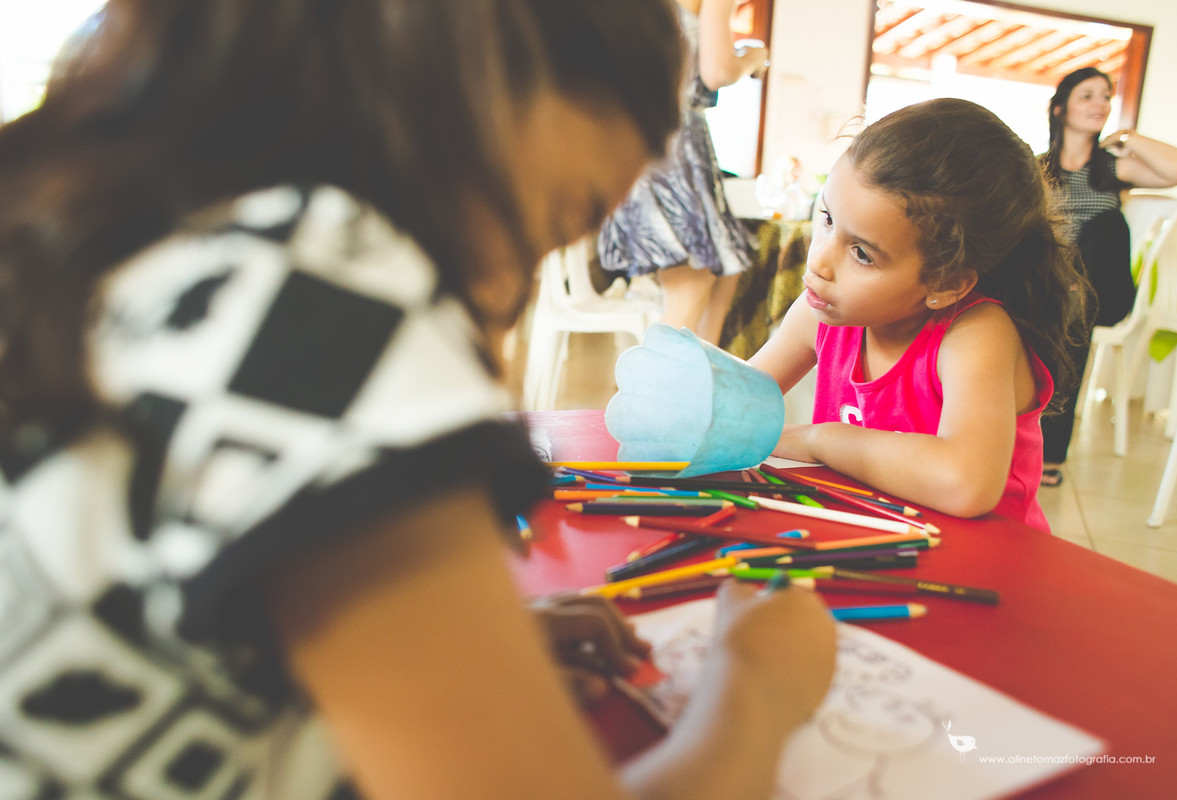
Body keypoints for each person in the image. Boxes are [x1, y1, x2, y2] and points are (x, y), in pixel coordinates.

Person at [0, 2, 838, 799]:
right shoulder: (318, 290)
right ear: (474, 71)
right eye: (553, 220)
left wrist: (438, 644)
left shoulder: (108, 225)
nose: (513, 288)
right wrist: (758, 688)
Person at [750, 98, 1090, 533]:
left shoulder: (976, 334)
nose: (819, 261)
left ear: (946, 283)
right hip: (872, 540)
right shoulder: (825, 312)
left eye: (861, 253)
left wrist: (820, 439)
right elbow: (742, 396)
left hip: (985, 564)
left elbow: (966, 484)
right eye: (828, 219)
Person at [1036, 67, 1177, 487]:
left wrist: (1127, 136)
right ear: (1059, 107)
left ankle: (1050, 453)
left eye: (1105, 97)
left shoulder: (1113, 168)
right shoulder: (1035, 169)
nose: (1099, 104)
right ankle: (1034, 446)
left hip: (1100, 291)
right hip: (1049, 291)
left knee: (1106, 226)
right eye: (1087, 96)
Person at [597, 0, 766, 344]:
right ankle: (642, 393)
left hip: (633, 143)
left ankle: (702, 380)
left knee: (724, 272)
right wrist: (754, 54)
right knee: (693, 284)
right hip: (671, 147)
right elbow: (717, 71)